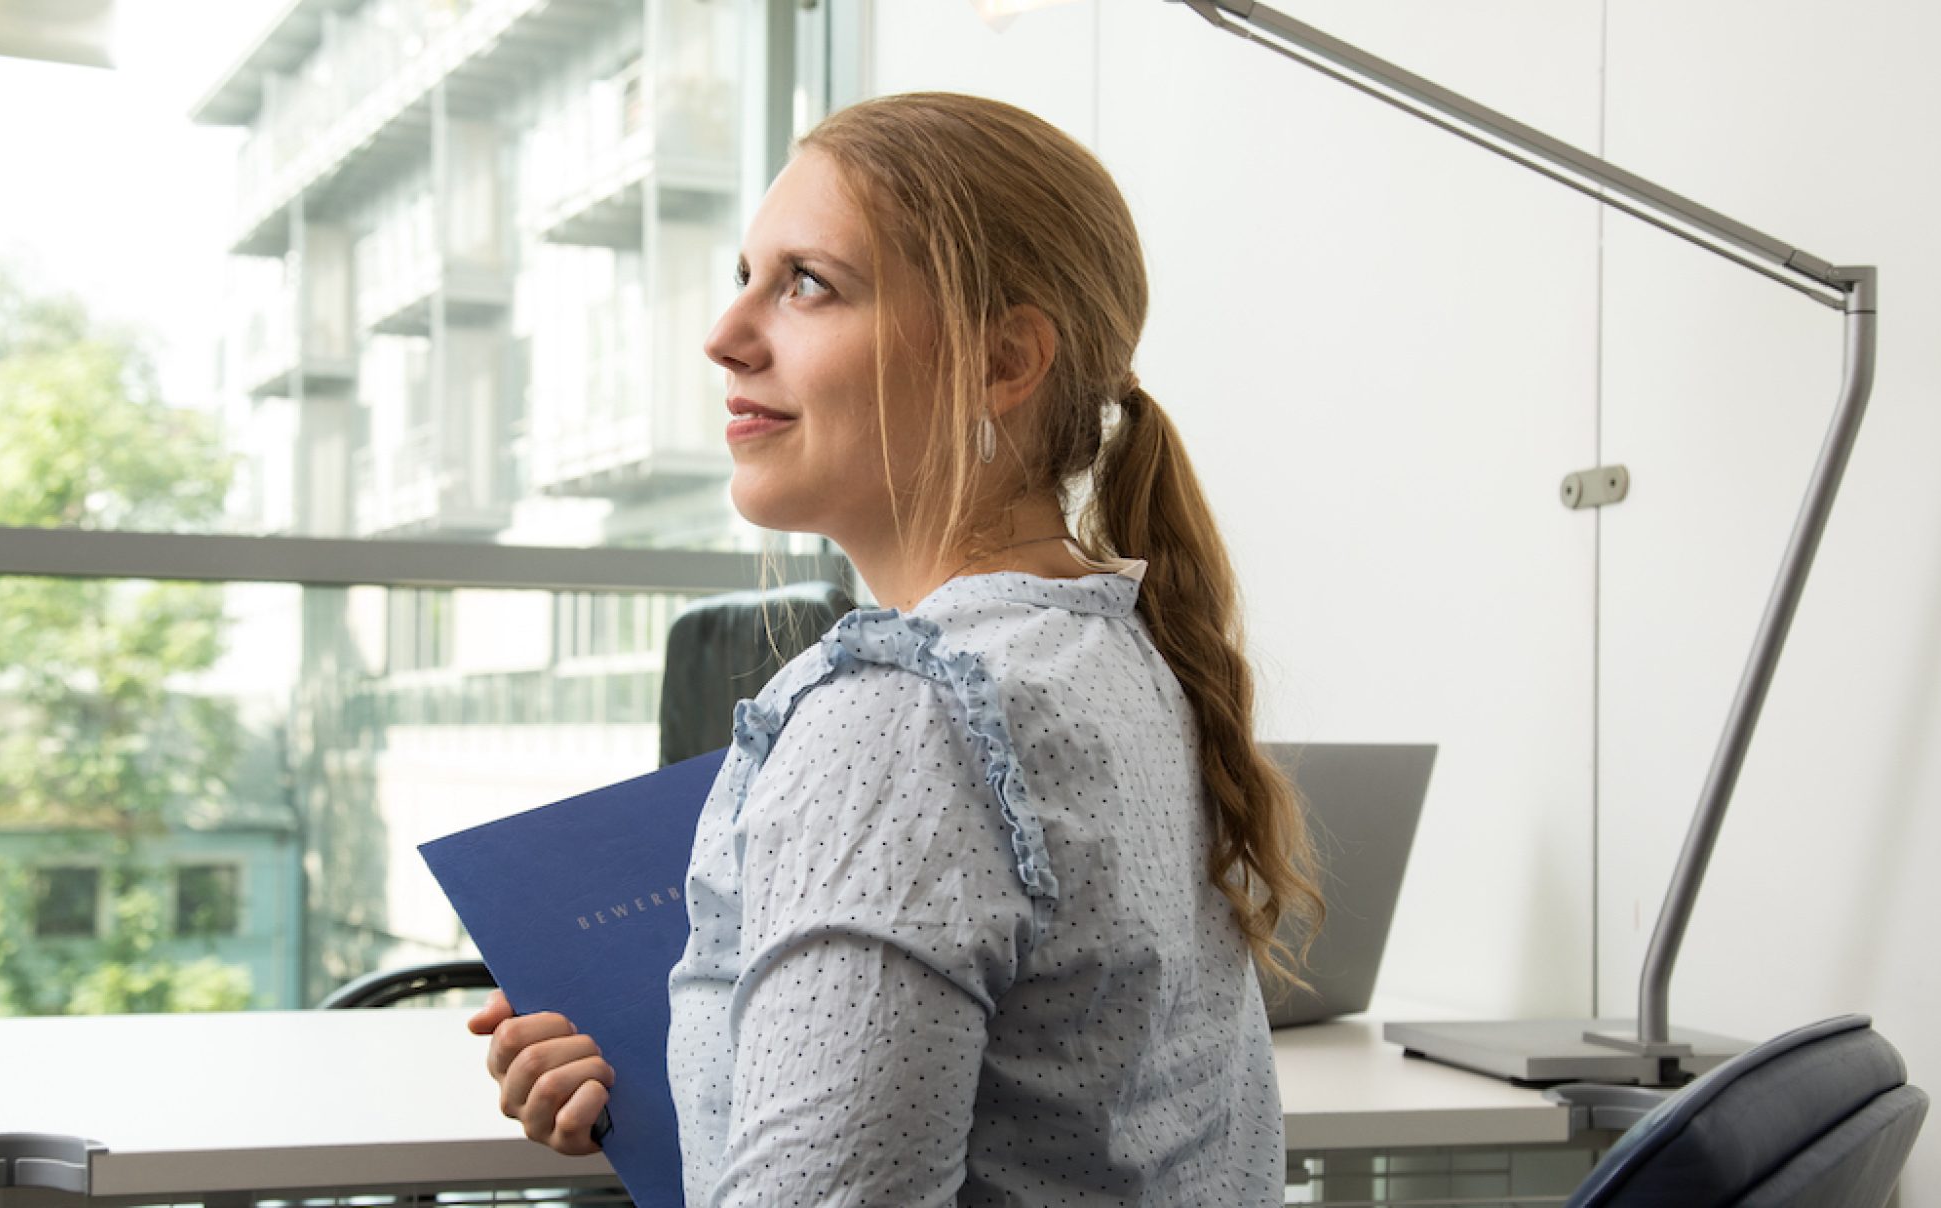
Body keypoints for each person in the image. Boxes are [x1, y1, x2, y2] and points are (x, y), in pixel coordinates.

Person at [469, 91, 1321, 1206]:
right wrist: (699, 1069)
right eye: (744, 276)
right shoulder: (1120, 653)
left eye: (808, 283)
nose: (726, 336)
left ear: (1002, 359)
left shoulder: (903, 717)